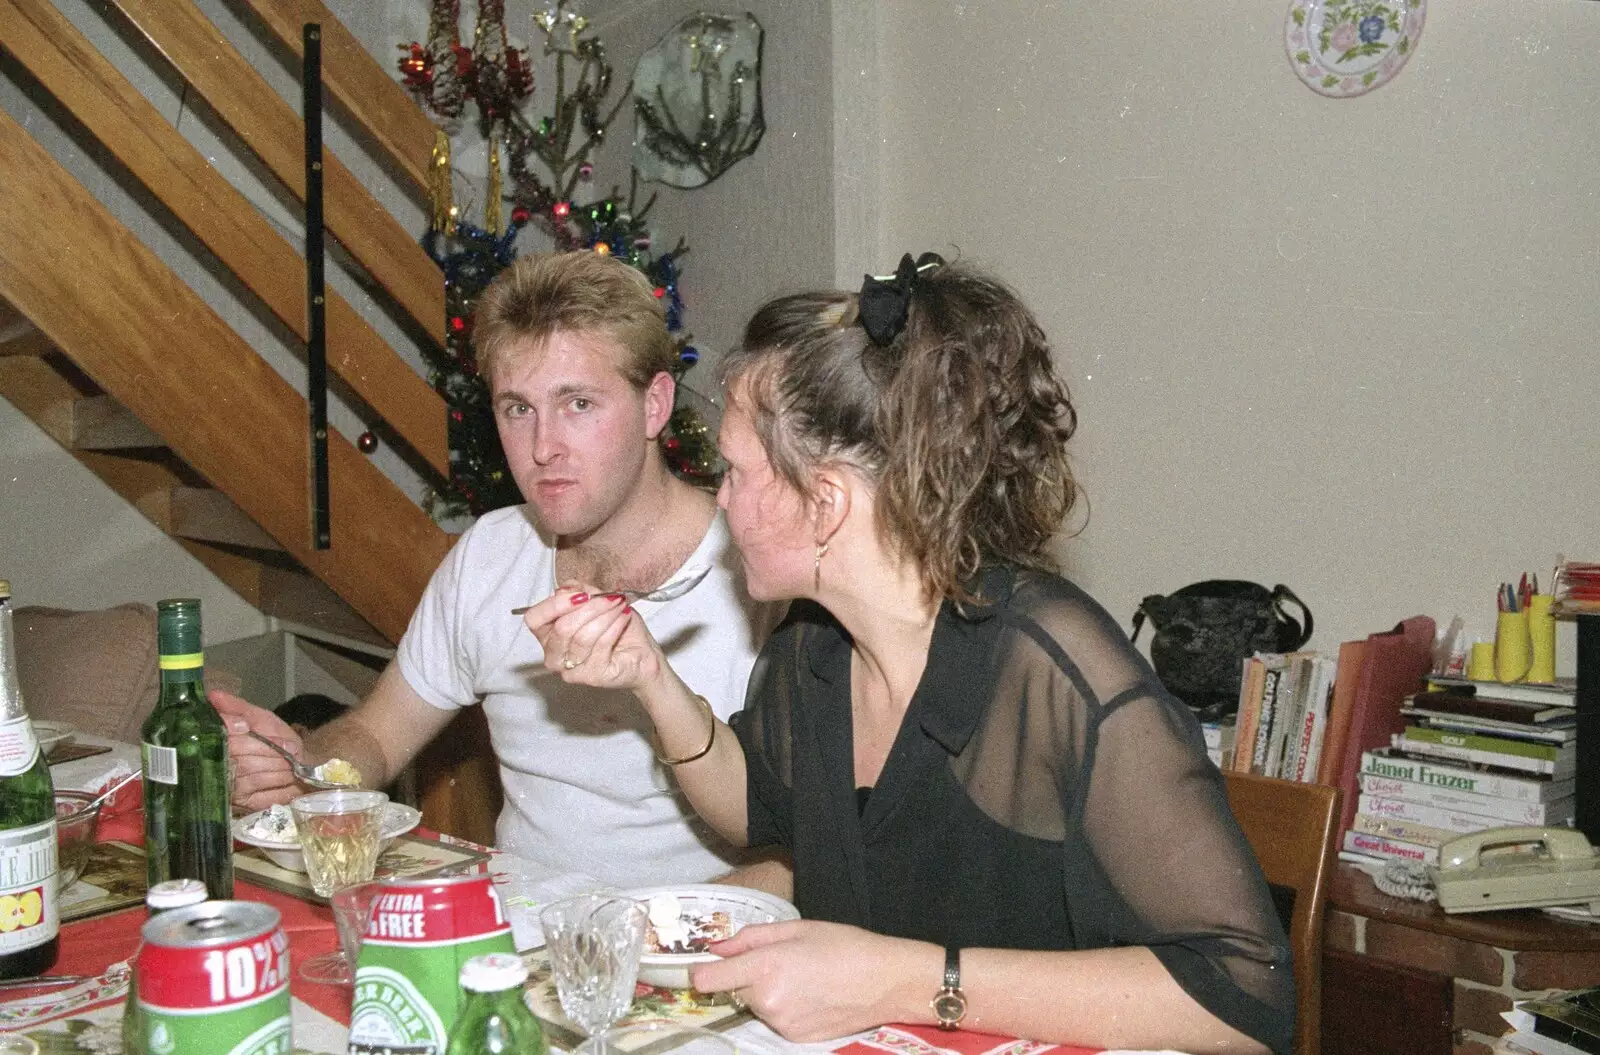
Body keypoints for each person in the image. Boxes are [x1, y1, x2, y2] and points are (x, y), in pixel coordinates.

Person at [522, 254, 1294, 1053]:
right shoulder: (815, 643)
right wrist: (651, 677)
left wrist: (903, 977)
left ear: (824, 503)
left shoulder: (1052, 664)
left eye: (738, 471)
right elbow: (753, 804)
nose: (720, 497)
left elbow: (1246, 999)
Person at [215, 250, 781, 888]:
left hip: (685, 950)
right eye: (518, 410)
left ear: (655, 405)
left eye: (579, 405)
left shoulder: (758, 577)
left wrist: (650, 946)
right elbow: (376, 735)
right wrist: (307, 764)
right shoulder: (489, 554)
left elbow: (795, 851)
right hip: (516, 939)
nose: (543, 448)